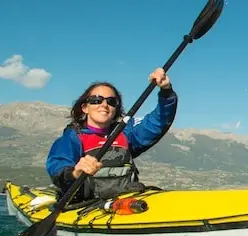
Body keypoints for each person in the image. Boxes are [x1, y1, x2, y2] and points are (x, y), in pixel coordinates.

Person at [46, 67, 178, 203]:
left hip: (124, 202)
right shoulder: (72, 138)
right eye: (96, 100)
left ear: (116, 110)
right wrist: (75, 173)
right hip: (87, 206)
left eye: (111, 101)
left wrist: (166, 91)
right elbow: (58, 166)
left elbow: (158, 122)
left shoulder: (126, 133)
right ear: (85, 107)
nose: (104, 105)